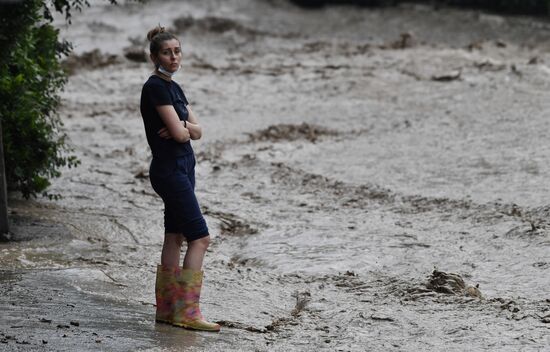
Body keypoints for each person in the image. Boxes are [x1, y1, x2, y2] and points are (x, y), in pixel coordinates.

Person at [140, 25, 220, 332]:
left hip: (182, 168)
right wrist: (185, 130)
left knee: (174, 236)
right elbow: (179, 133)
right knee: (200, 239)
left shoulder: (174, 87)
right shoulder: (155, 87)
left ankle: (168, 310)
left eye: (177, 51)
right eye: (166, 52)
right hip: (171, 170)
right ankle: (187, 312)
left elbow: (196, 131)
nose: (174, 57)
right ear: (153, 56)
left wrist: (186, 129)